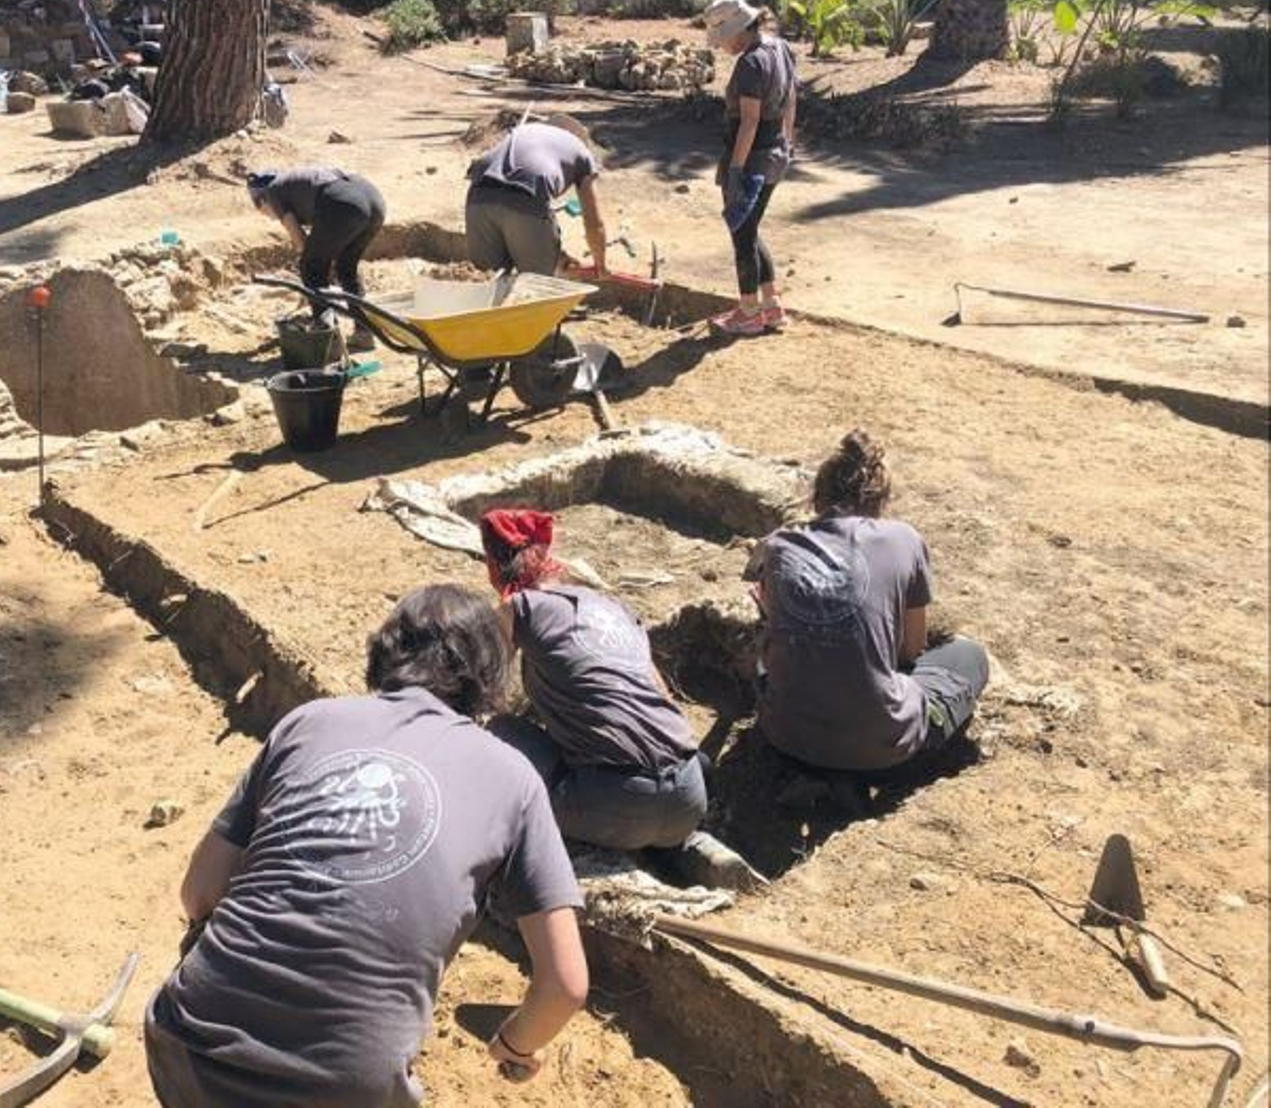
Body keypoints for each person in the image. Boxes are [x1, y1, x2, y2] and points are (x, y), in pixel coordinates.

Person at [145, 584, 589, 1107]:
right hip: (345, 1089)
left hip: (188, 1042)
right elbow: (565, 985)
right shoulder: (513, 777)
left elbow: (198, 895)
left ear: (385, 650)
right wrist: (517, 1044)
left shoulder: (308, 722)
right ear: (491, 678)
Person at [480, 508, 766, 891]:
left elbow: (486, 689)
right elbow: (663, 700)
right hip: (688, 793)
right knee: (639, 801)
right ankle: (686, 847)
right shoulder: (614, 609)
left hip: (614, 802)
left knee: (500, 733)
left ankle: (607, 845)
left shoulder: (520, 608)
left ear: (495, 566)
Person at [745, 431, 991, 774]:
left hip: (784, 735)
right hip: (881, 748)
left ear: (817, 496)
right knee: (969, 656)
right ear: (880, 500)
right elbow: (911, 651)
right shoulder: (903, 538)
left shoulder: (779, 545)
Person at [703, 0, 798, 338]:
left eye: (723, 37)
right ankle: (771, 306)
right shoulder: (780, 47)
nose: (722, 45)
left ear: (737, 29)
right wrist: (789, 141)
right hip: (775, 153)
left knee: (741, 232)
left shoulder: (750, 63)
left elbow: (749, 122)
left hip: (752, 157)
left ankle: (748, 312)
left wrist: (736, 171)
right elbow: (791, 99)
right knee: (751, 226)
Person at [247, 167, 387, 350]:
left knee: (310, 266)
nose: (267, 216)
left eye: (260, 209)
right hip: (374, 201)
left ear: (260, 200)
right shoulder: (297, 183)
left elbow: (301, 242)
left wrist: (312, 288)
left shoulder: (274, 192)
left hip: (343, 203)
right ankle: (364, 333)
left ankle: (329, 341)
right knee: (346, 265)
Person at [464, 115, 608, 277]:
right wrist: (600, 264)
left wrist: (554, 253)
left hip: (478, 197)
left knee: (487, 280)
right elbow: (594, 223)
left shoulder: (522, 131)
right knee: (537, 285)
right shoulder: (580, 151)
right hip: (526, 198)